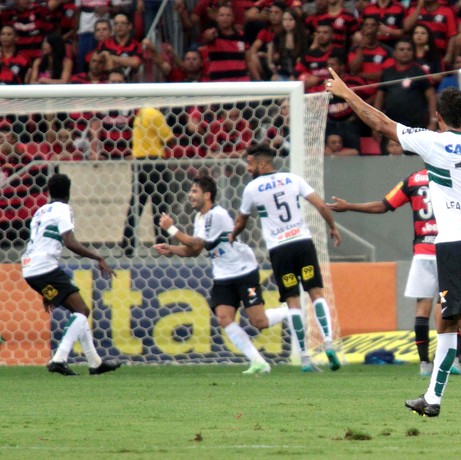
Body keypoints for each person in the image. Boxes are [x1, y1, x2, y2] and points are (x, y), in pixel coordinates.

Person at [325, 42, 461, 418]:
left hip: (455, 244)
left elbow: (381, 123)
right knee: (445, 320)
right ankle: (432, 399)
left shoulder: (434, 144)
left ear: (438, 116)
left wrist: (346, 93)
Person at [328, 171, 461, 377]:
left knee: (423, 310)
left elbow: (382, 205)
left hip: (424, 251)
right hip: (451, 251)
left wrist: (349, 206)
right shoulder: (453, 178)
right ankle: (451, 360)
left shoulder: (413, 180)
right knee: (452, 306)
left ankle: (425, 365)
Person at [154, 175, 289, 374]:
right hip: (223, 274)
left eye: (194, 191)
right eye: (190, 191)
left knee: (258, 322)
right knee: (224, 318)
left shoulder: (216, 215)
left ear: (207, 195)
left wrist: (172, 229)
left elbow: (197, 244)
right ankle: (259, 362)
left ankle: (293, 311)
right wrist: (172, 249)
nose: (190, 195)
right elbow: (195, 251)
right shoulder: (200, 218)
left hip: (243, 270)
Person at [230, 144, 342, 372]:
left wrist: (233, 234)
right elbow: (321, 205)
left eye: (251, 163)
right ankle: (328, 343)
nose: (248, 167)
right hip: (302, 243)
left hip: (280, 250)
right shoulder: (292, 179)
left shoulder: (252, 188)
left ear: (262, 163)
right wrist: (332, 227)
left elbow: (242, 221)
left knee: (293, 301)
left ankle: (305, 357)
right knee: (316, 294)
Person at [21, 173, 121, 376]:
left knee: (78, 312)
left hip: (31, 269)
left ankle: (94, 363)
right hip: (45, 268)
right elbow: (69, 241)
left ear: (48, 191)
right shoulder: (63, 209)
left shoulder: (40, 211)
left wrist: (45, 291)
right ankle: (59, 358)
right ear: (69, 191)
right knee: (82, 310)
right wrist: (97, 256)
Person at [120, 106, 175, 256]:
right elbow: (169, 138)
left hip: (139, 163)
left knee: (136, 204)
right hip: (154, 162)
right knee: (160, 204)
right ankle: (163, 244)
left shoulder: (139, 115)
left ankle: (127, 244)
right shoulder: (154, 114)